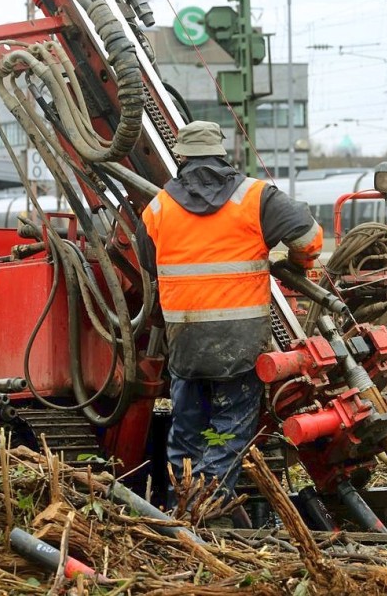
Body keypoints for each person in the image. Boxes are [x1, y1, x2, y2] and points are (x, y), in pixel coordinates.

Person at [136, 120, 323, 506]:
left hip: (186, 343)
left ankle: (180, 507)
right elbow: (308, 237)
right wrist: (299, 262)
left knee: (187, 430)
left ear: (181, 156)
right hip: (240, 343)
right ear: (223, 153)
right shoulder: (256, 197)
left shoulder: (157, 208)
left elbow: (149, 266)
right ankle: (208, 508)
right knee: (228, 429)